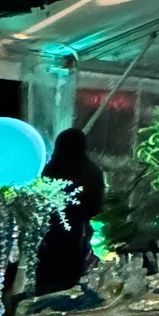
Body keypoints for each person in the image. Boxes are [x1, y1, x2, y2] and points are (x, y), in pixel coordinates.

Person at [34, 125, 105, 293]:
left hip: (48, 237)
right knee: (71, 284)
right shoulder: (91, 171)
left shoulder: (50, 170)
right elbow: (95, 208)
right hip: (77, 236)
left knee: (48, 282)